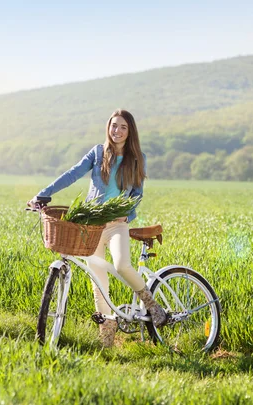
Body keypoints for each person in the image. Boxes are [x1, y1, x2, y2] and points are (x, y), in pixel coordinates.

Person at [28, 109, 167, 348]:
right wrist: (44, 194)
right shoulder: (97, 153)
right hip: (91, 226)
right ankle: (107, 331)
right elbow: (72, 174)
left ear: (130, 131)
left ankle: (151, 303)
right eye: (114, 125)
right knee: (98, 281)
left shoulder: (137, 158)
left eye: (123, 127)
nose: (117, 131)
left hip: (116, 225)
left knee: (122, 265)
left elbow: (137, 194)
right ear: (108, 127)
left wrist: (126, 212)